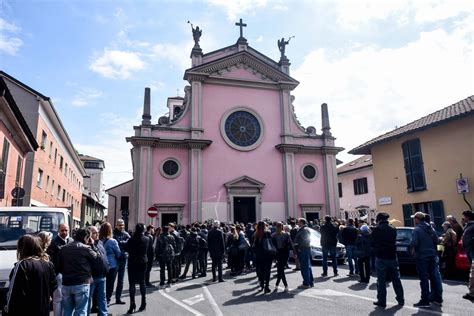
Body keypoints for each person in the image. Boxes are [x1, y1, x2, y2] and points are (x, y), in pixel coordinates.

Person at [3, 234, 56, 316]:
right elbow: (53, 285)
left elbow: (13, 290)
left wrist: (7, 309)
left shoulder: (22, 264)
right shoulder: (48, 264)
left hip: (26, 310)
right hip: (43, 309)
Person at [58, 227, 100, 316]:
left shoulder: (63, 248)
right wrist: (93, 245)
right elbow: (97, 259)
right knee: (81, 311)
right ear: (86, 237)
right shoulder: (86, 248)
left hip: (66, 283)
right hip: (81, 283)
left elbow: (58, 266)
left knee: (67, 311)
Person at [372, 212, 404, 308]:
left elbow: (372, 243)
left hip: (381, 256)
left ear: (379, 220)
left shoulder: (377, 229)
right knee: (396, 279)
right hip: (392, 256)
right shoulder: (393, 229)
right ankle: (401, 299)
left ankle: (382, 301)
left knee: (381, 280)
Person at [411, 212, 443, 307]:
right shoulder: (431, 228)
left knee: (424, 279)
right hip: (432, 255)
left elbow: (414, 243)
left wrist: (412, 245)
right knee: (434, 278)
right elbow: (437, 241)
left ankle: (425, 299)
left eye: (414, 218)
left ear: (417, 219)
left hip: (421, 256)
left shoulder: (416, 230)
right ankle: (437, 298)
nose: (414, 220)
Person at [47, 223, 72, 316]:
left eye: (66, 230)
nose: (64, 232)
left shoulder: (71, 241)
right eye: (62, 230)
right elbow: (50, 260)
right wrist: (55, 274)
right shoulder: (53, 243)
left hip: (69, 275)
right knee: (58, 299)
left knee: (67, 299)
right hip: (59, 275)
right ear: (58, 230)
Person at [125, 223, 150, 313]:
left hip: (132, 262)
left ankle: (132, 305)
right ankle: (143, 303)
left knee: (132, 284)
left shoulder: (131, 239)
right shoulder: (147, 239)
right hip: (143, 262)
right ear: (143, 230)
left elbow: (126, 249)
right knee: (142, 282)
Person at [88, 225, 109, 316]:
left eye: (97, 232)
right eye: (94, 233)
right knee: (88, 299)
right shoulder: (87, 244)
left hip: (102, 276)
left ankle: (103, 314)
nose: (97, 234)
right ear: (89, 234)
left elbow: (103, 256)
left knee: (102, 298)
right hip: (92, 277)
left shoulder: (100, 242)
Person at [100, 222, 122, 305]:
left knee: (101, 284)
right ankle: (107, 300)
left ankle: (100, 300)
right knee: (110, 284)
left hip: (101, 265)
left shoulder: (99, 241)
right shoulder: (113, 241)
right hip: (112, 265)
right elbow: (118, 253)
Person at [253, 221, 275, 293]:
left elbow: (254, 246)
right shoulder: (267, 233)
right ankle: (267, 287)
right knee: (267, 271)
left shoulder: (256, 234)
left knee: (261, 270)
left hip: (259, 255)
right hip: (267, 254)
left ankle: (262, 285)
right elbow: (271, 243)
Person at [112, 219, 130, 305]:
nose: (121, 226)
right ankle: (108, 299)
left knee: (121, 281)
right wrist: (125, 243)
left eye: (122, 225)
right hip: (115, 260)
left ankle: (118, 298)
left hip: (124, 259)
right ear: (116, 225)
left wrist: (124, 243)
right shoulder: (113, 234)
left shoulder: (126, 234)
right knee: (112, 280)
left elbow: (130, 242)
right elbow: (117, 243)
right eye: (119, 225)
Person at [272, 222, 292, 292]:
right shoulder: (286, 234)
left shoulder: (273, 235)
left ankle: (281, 285)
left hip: (278, 253)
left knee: (280, 270)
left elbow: (272, 246)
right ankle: (280, 285)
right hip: (285, 253)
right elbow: (290, 244)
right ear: (282, 227)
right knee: (281, 270)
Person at [293, 218, 313, 289]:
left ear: (301, 222)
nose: (297, 223)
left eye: (298, 222)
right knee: (307, 266)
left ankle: (306, 283)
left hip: (303, 250)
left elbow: (306, 240)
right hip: (304, 249)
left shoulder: (304, 230)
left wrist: (299, 248)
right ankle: (310, 282)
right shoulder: (304, 229)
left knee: (304, 267)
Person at [461, 210, 474, 301]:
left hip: (472, 250)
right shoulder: (468, 225)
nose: (463, 218)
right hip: (469, 250)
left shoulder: (473, 225)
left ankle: (472, 293)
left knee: (473, 273)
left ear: (468, 217)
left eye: (464, 217)